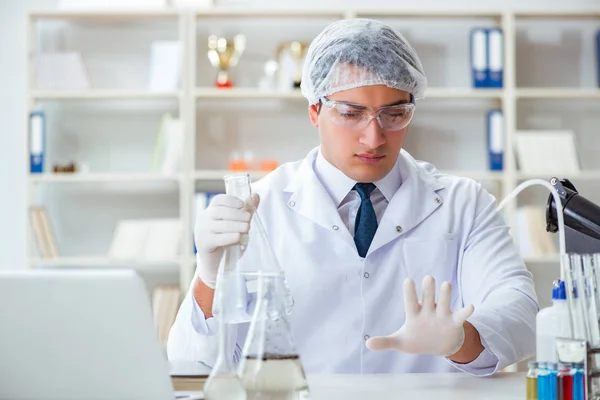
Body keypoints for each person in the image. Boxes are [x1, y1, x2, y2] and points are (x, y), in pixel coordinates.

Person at [167, 18, 538, 375]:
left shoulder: (464, 204)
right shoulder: (261, 209)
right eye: (350, 113)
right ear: (315, 110)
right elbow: (192, 363)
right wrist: (209, 277)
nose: (374, 137)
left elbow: (519, 311)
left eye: (395, 114)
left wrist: (460, 340)